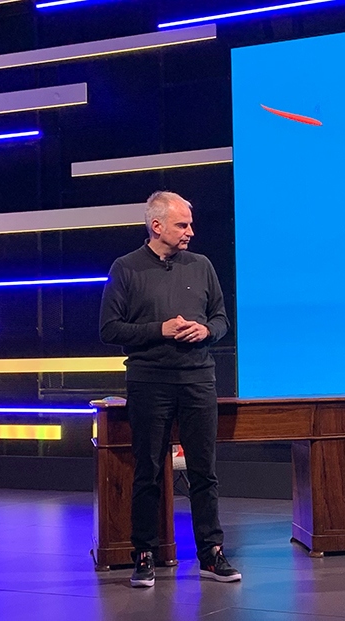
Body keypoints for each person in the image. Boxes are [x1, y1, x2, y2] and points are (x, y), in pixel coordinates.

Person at [99, 191, 240, 587]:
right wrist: (158, 329)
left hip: (198, 379)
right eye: (183, 225)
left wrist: (207, 330)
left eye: (190, 224)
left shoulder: (202, 265)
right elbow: (109, 329)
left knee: (204, 472)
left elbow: (221, 319)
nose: (190, 231)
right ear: (157, 226)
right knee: (148, 470)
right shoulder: (126, 268)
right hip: (149, 382)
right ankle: (145, 554)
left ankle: (211, 554)